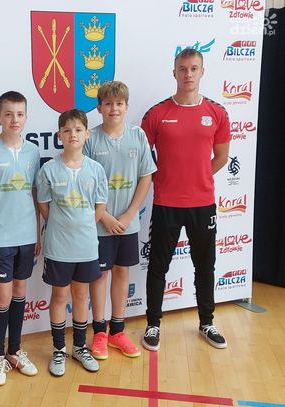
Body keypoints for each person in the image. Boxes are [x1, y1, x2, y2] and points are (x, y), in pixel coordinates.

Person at [140, 48, 231, 352]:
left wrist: (198, 177)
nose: (188, 74)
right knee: (158, 266)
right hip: (166, 203)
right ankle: (153, 324)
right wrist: (164, 179)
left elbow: (221, 157)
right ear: (174, 73)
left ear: (202, 72)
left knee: (205, 266)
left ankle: (207, 322)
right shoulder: (156, 113)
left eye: (193, 68)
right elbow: (143, 159)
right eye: (182, 68)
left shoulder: (217, 112)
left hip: (203, 204)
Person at [84, 81, 156, 360]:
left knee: (122, 272)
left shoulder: (138, 136)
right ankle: (99, 332)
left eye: (119, 103)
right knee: (100, 275)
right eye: (108, 104)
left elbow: (146, 177)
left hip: (127, 223)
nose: (113, 108)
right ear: (99, 107)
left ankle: (117, 330)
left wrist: (128, 215)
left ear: (126, 107)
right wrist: (104, 216)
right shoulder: (90, 138)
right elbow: (83, 182)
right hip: (99, 223)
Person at [0, 91, 41, 386]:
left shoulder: (33, 152)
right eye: (9, 114)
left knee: (19, 292)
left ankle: (14, 351)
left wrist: (37, 231)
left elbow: (35, 194)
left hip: (26, 236)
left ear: (26, 117)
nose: (15, 119)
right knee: (1, 296)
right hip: (0, 237)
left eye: (20, 114)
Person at [37, 109, 107, 377]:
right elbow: (44, 205)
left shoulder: (96, 169)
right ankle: (58, 350)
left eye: (78, 129)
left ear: (87, 134)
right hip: (58, 247)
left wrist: (84, 226)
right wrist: (61, 225)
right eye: (67, 130)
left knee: (81, 295)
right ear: (59, 136)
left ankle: (79, 347)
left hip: (86, 246)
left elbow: (100, 206)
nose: (72, 134)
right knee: (59, 296)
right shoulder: (49, 169)